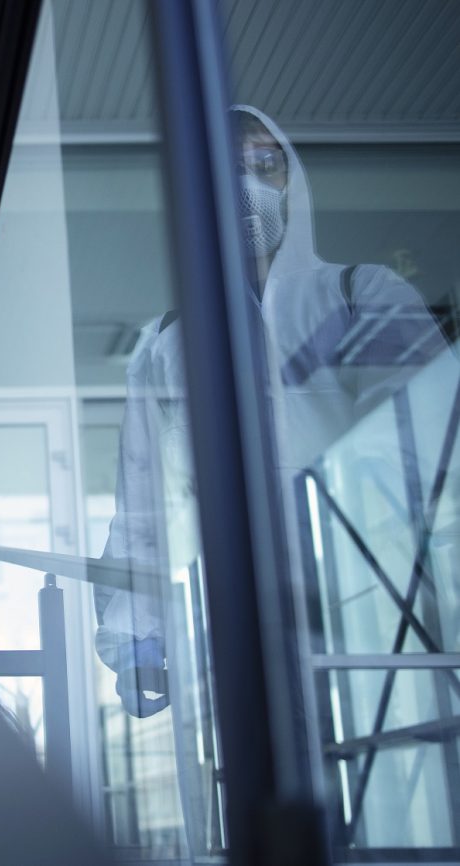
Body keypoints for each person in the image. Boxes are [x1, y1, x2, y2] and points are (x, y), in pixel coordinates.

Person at [95, 104, 450, 718]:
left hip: (373, 606)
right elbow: (145, 506)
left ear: (293, 182)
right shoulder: (165, 345)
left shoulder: (362, 294)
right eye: (228, 169)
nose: (248, 185)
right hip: (233, 618)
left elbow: (425, 444)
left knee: (389, 751)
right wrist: (134, 636)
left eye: (265, 166)